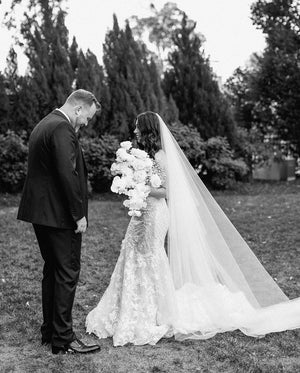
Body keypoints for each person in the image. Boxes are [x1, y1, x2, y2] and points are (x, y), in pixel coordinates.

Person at [86, 111, 300, 346]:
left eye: (138, 127)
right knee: (132, 254)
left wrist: (138, 186)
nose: (134, 130)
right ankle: (131, 305)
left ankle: (152, 311)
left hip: (154, 215)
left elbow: (166, 191)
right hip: (141, 214)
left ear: (148, 130)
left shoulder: (160, 156)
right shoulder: (145, 157)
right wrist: (130, 181)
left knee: (149, 258)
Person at [18, 89, 102, 354]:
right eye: (87, 117)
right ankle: (63, 339)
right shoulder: (62, 128)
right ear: (78, 108)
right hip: (59, 215)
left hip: (41, 214)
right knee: (67, 273)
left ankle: (50, 331)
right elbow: (68, 174)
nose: (86, 123)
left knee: (52, 271)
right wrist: (78, 214)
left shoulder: (44, 124)